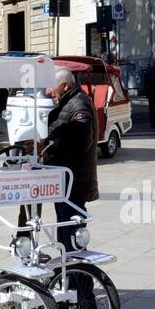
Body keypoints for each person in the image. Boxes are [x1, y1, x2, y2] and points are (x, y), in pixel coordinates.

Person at [43, 68, 98, 251]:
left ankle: (78, 278)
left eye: (51, 86)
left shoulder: (79, 105)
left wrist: (50, 148)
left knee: (72, 239)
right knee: (66, 234)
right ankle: (68, 276)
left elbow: (80, 141)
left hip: (74, 183)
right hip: (65, 181)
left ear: (65, 85)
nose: (48, 91)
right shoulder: (67, 102)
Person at [144, 56, 155, 129]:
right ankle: (152, 123)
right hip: (151, 93)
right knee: (152, 108)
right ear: (153, 63)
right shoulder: (149, 71)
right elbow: (147, 81)